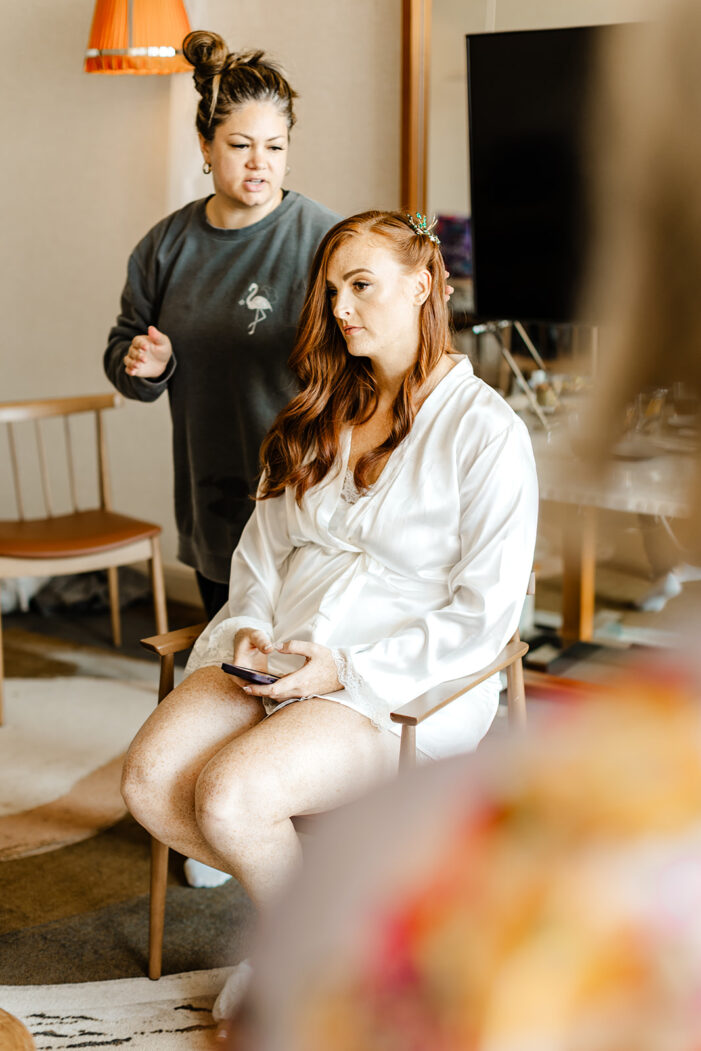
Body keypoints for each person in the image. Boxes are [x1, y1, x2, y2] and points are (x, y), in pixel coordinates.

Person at [121, 209, 538, 1021]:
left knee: (228, 795)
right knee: (147, 781)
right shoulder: (319, 412)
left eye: (361, 286)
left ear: (422, 285)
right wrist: (247, 624)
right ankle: (336, 932)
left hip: (399, 682)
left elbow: (483, 614)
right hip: (274, 651)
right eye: (332, 290)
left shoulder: (486, 432)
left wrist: (344, 668)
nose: (341, 307)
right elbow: (261, 554)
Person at [103, 30, 340, 621]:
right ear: (205, 144)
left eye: (275, 147)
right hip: (212, 494)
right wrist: (147, 366)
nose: (260, 163)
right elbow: (123, 355)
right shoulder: (164, 247)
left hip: (308, 499)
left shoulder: (326, 240)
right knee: (220, 672)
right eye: (240, 145)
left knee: (292, 683)